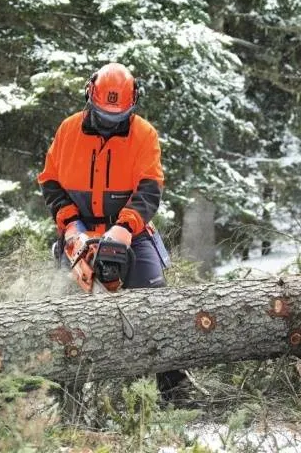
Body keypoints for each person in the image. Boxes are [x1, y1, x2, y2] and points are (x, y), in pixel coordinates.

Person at [37, 62, 185, 402]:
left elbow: (149, 189)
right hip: (81, 228)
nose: (109, 124)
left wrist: (124, 228)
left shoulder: (143, 133)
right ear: (91, 99)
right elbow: (50, 181)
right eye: (103, 115)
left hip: (129, 228)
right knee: (62, 313)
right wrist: (72, 227)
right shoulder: (69, 129)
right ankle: (65, 398)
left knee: (157, 306)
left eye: (118, 118)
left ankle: (175, 393)